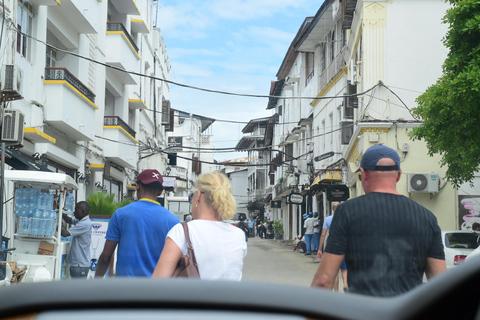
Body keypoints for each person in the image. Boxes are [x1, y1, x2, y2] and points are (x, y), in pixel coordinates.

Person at [311, 144, 446, 297]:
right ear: (399, 175)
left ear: (364, 174)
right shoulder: (427, 217)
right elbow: (440, 285)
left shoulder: (347, 212)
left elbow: (324, 281)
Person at [152, 171, 247, 280]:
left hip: (194, 297)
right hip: (231, 297)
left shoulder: (181, 231)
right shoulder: (239, 235)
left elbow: (157, 283)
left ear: (197, 197)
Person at [95, 169, 180, 278]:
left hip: (125, 289)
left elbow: (106, 256)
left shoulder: (120, 214)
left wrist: (96, 281)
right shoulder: (173, 221)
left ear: (137, 186)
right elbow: (175, 261)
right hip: (157, 289)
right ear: (160, 191)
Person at [316, 202, 347, 292]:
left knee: (335, 271)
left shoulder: (328, 219)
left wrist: (319, 249)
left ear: (332, 209)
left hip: (332, 247)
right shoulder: (346, 218)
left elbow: (323, 234)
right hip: (344, 246)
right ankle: (345, 284)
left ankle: (336, 292)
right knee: (344, 268)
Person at [61, 201, 92, 278]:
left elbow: (65, 234)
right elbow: (70, 220)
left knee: (78, 289)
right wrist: (61, 214)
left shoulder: (84, 224)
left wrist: (54, 225)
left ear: (83, 211)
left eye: (76, 210)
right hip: (80, 265)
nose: (74, 212)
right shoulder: (82, 220)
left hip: (79, 266)